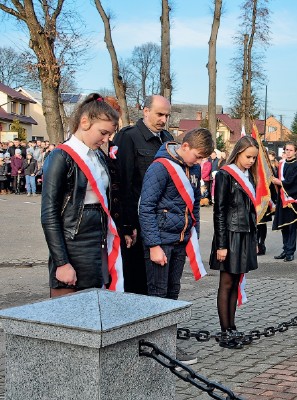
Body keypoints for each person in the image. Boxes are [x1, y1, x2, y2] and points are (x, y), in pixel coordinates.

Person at [139, 127, 213, 364]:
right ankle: (158, 347)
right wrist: (153, 245)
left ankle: (168, 344)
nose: (200, 162)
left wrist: (195, 234)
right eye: (198, 156)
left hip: (180, 240)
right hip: (161, 241)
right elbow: (146, 207)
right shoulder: (159, 168)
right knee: (158, 295)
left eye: (203, 159)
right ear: (185, 146)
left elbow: (194, 206)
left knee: (172, 293)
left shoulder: (194, 168)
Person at [41, 93, 121, 297]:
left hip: (99, 239)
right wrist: (61, 262)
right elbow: (49, 214)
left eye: (109, 134)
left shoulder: (98, 156)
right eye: (102, 132)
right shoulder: (60, 156)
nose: (105, 139)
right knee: (68, 314)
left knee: (95, 307)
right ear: (84, 122)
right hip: (72, 242)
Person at [114, 94, 174, 294]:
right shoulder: (128, 137)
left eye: (167, 116)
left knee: (161, 282)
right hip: (138, 224)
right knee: (137, 280)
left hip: (164, 225)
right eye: (159, 114)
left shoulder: (168, 140)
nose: (163, 120)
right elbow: (123, 184)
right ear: (146, 111)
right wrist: (127, 224)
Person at [210, 136, 259, 349]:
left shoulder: (250, 177)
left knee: (236, 282)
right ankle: (225, 331)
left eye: (254, 158)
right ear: (238, 152)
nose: (251, 161)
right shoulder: (225, 175)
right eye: (248, 157)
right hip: (229, 235)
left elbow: (251, 211)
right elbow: (219, 211)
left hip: (245, 235)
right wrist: (221, 245)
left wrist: (255, 239)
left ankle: (232, 327)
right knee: (227, 283)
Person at [272, 142, 297, 262]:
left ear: (295, 152)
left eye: (291, 150)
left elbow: (293, 182)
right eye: (286, 150)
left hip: (292, 200)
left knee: (291, 226)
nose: (288, 152)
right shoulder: (282, 164)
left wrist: (279, 182)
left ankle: (290, 251)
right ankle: (285, 248)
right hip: (282, 199)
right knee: (284, 226)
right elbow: (278, 180)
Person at [257, 150, 278, 255]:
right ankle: (255, 244)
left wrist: (274, 201)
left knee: (261, 223)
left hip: (265, 199)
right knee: (255, 224)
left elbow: (272, 186)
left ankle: (262, 243)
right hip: (255, 199)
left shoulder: (268, 168)